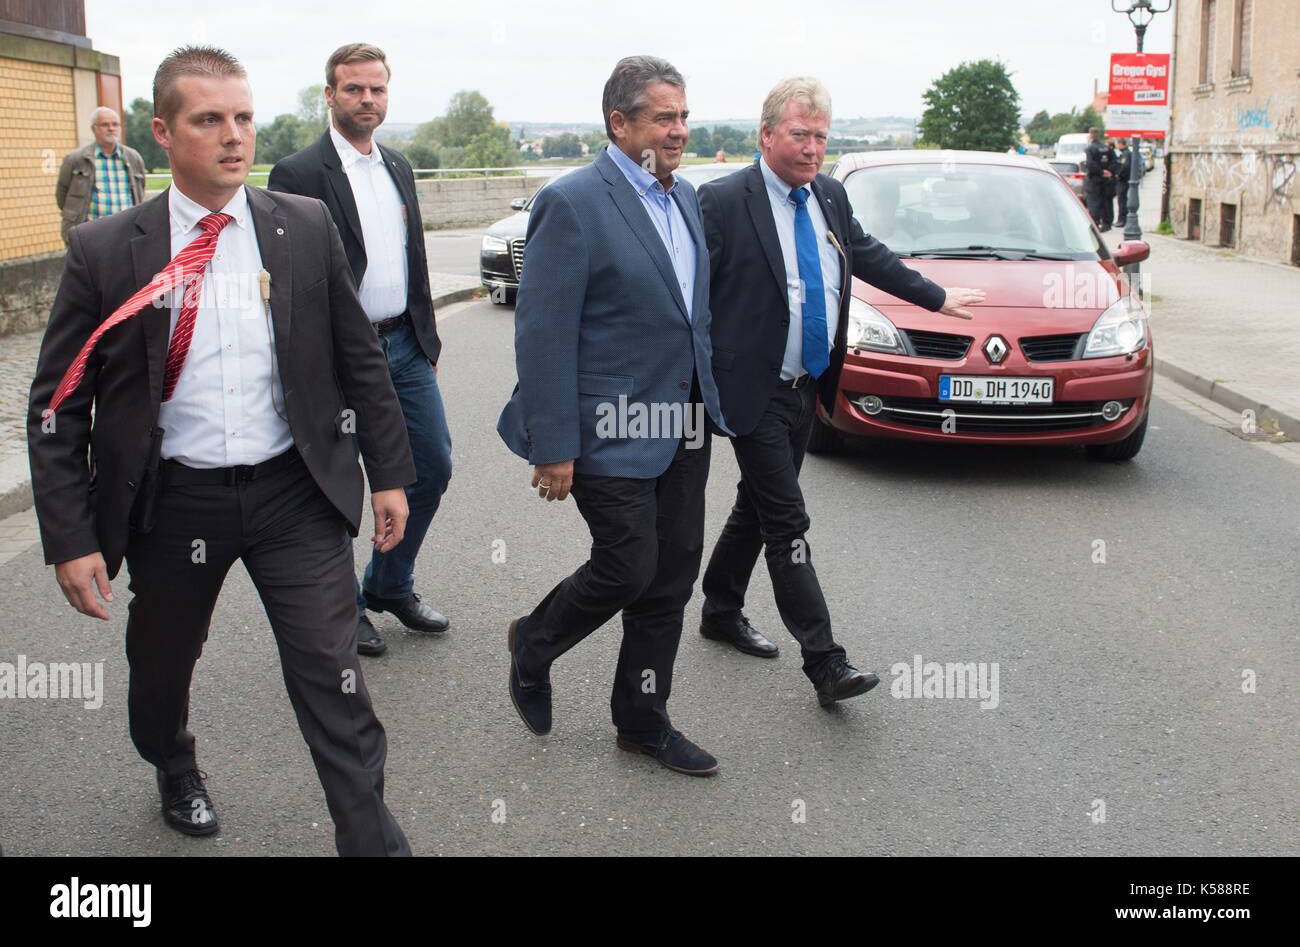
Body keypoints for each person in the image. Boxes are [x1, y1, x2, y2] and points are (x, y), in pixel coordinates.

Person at [27, 46, 415, 856]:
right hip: (172, 502)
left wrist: (389, 474)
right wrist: (69, 538)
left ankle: (370, 840)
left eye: (243, 117)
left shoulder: (300, 226)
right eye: (210, 120)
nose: (234, 136)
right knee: (160, 667)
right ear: (163, 132)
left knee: (332, 674)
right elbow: (57, 404)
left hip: (294, 494)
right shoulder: (105, 250)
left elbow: (360, 361)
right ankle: (172, 760)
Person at [696, 77, 985, 705]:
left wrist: (935, 297)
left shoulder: (828, 196)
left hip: (810, 384)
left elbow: (866, 255)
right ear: (767, 135)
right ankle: (825, 662)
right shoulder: (720, 201)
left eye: (821, 136)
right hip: (752, 389)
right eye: (800, 134)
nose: (812, 147)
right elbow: (690, 295)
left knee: (758, 504)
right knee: (787, 520)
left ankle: (719, 610)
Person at [497, 55, 730, 776]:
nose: (680, 130)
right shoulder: (572, 202)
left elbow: (692, 318)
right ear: (619, 122)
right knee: (629, 564)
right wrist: (553, 445)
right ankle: (535, 641)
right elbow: (542, 331)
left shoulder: (684, 197)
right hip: (609, 425)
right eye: (665, 117)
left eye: (685, 115)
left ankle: (642, 720)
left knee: (670, 578)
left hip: (683, 421)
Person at [270, 43, 452, 657]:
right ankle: (345, 612)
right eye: (353, 89)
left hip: (403, 345)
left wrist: (425, 333)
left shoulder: (398, 167)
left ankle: (389, 584)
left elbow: (413, 258)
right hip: (338, 358)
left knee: (431, 464)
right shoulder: (298, 174)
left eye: (376, 89)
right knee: (337, 484)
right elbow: (290, 281)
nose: (366, 99)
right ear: (330, 95)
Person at [55, 107, 147, 244]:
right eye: (105, 124)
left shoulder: (133, 158)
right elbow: (62, 194)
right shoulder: (76, 159)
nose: (111, 128)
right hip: (89, 234)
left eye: (115, 124)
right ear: (94, 129)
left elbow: (140, 191)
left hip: (126, 234)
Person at [1084, 127, 1112, 231]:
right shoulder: (1106, 147)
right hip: (1106, 179)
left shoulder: (1090, 148)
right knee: (1105, 201)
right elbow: (1114, 161)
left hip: (1095, 179)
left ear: (1091, 135)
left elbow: (1090, 164)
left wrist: (1100, 172)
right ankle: (1107, 223)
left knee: (1094, 201)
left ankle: (1095, 223)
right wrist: (1108, 171)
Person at [1114, 138, 1131, 227]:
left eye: (1117, 144)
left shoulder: (1126, 154)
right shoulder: (1126, 153)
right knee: (1122, 200)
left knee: (1122, 200)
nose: (1116, 146)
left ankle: (1122, 220)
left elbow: (1124, 167)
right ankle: (1122, 219)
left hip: (1123, 181)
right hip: (1125, 180)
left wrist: (1118, 175)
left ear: (1121, 144)